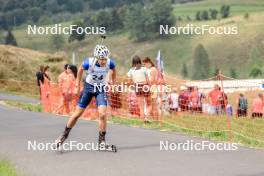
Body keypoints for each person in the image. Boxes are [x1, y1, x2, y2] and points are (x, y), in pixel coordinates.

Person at [55, 44, 116, 147]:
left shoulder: (110, 63)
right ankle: (63, 135)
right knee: (77, 114)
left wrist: (113, 83)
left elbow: (114, 71)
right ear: (97, 57)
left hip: (100, 88)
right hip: (88, 88)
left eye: (105, 59)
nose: (103, 61)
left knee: (102, 114)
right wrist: (77, 84)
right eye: (101, 59)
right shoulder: (89, 62)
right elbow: (80, 69)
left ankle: (101, 141)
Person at [127, 55, 151, 123]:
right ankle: (146, 118)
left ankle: (143, 120)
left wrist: (134, 85)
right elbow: (148, 80)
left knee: (141, 106)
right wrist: (150, 87)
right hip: (145, 86)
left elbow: (128, 82)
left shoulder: (131, 71)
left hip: (137, 86)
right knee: (149, 104)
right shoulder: (144, 69)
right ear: (140, 61)